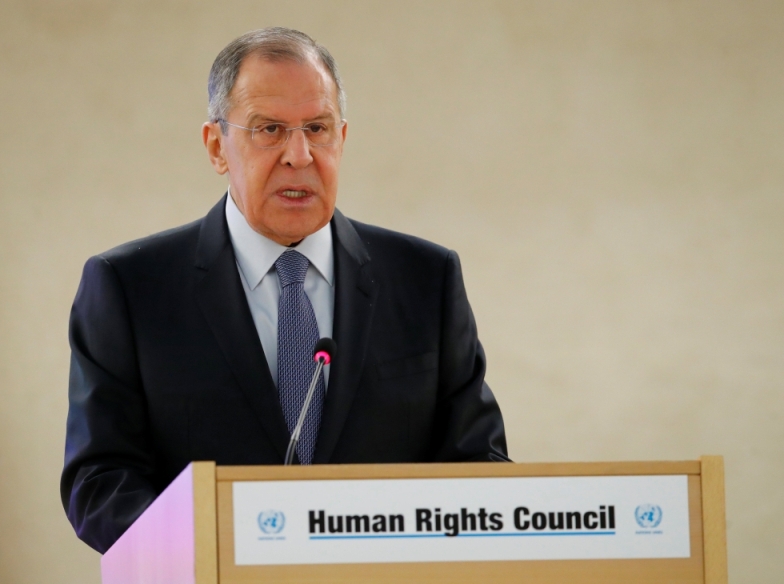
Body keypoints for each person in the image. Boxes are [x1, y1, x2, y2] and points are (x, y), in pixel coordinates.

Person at [61, 27, 508, 554]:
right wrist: (224, 549)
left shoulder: (426, 279)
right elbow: (100, 480)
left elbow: (478, 466)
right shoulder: (130, 287)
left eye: (317, 128)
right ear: (216, 146)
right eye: (269, 129)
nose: (299, 155)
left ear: (341, 138)